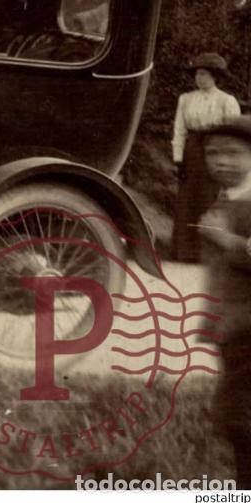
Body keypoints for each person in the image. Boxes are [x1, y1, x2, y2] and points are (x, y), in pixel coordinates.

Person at [191, 115, 251, 487]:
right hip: (234, 328)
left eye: (233, 153)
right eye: (213, 153)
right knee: (236, 417)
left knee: (237, 416)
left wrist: (223, 238)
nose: (221, 161)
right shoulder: (227, 200)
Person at [171, 52, 241, 261]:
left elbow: (232, 134)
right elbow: (180, 129)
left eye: (204, 74)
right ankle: (184, 251)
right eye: (197, 74)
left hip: (214, 149)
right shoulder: (186, 99)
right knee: (187, 199)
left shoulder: (226, 100)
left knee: (208, 198)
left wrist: (226, 159)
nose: (199, 78)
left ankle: (207, 253)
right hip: (192, 151)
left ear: (214, 76)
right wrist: (178, 158)